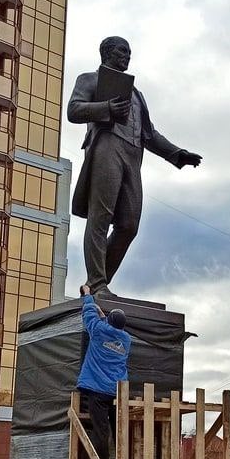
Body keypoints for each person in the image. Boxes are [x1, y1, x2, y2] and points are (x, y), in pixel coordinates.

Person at [67, 36, 202, 297]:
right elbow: (74, 110)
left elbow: (149, 133)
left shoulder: (137, 94)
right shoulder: (90, 79)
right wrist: (106, 107)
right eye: (122, 51)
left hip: (133, 155)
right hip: (107, 147)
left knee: (129, 225)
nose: (127, 56)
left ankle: (93, 284)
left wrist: (177, 154)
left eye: (129, 52)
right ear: (106, 53)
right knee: (100, 217)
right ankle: (97, 284)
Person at [76, 283, 130, 459]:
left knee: (101, 433)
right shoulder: (125, 339)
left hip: (97, 390)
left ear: (108, 322)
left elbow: (89, 315)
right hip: (116, 391)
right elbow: (106, 327)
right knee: (119, 433)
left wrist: (88, 295)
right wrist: (103, 315)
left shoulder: (98, 330)